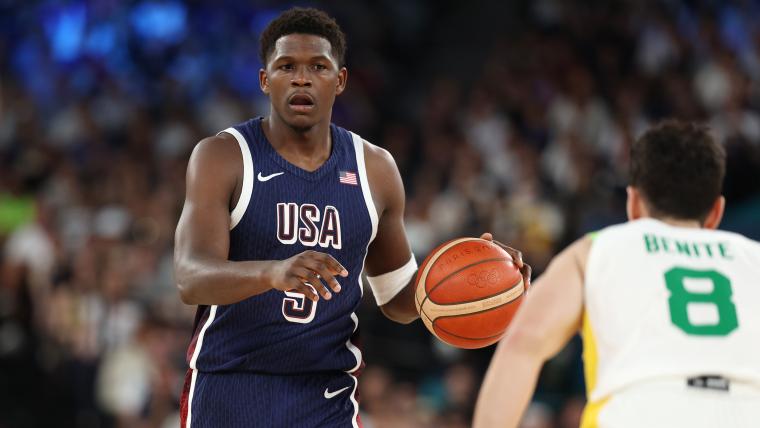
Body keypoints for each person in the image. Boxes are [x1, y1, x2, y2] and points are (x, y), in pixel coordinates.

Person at [173, 7, 528, 428]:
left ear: (339, 80)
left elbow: (398, 298)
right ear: (265, 80)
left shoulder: (375, 169)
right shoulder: (223, 156)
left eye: (318, 67)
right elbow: (191, 277)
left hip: (328, 397)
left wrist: (478, 278)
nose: (302, 78)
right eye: (286, 66)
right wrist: (271, 272)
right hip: (229, 390)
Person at [473, 120, 760, 428]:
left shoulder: (596, 250)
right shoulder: (754, 257)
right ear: (716, 212)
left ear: (633, 202)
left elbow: (524, 341)